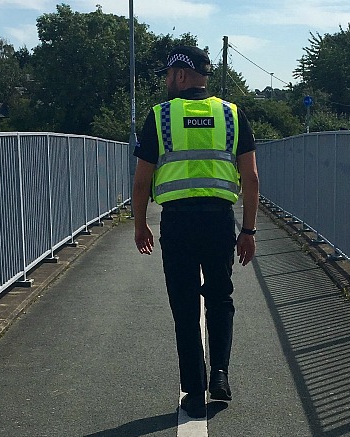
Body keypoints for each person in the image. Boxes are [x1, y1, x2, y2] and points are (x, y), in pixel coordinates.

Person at [132, 45, 259, 419]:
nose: (167, 82)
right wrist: (248, 229)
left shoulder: (161, 117)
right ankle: (220, 374)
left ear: (181, 75)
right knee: (220, 298)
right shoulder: (233, 115)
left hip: (178, 222)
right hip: (220, 220)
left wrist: (140, 225)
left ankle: (193, 389)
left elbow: (142, 183)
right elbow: (250, 178)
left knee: (185, 306)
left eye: (169, 75)